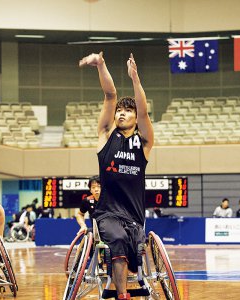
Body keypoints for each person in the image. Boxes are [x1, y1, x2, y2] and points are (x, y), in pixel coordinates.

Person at [79, 52, 154, 300]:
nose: (121, 113)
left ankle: (128, 275)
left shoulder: (143, 142)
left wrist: (136, 80)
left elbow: (144, 113)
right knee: (119, 240)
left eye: (127, 110)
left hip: (134, 214)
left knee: (135, 250)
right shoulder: (106, 136)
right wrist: (101, 65)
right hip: (108, 213)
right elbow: (110, 95)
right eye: (119, 110)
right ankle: (122, 294)